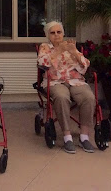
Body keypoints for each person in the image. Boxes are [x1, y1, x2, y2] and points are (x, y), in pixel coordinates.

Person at [38, 21, 95, 154]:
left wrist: (74, 52)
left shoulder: (70, 46)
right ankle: (67, 137)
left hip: (75, 81)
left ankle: (84, 136)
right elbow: (42, 63)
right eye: (52, 33)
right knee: (62, 97)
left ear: (63, 34)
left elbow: (85, 66)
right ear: (48, 35)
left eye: (59, 32)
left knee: (89, 97)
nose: (56, 35)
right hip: (55, 81)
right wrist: (58, 50)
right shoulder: (45, 47)